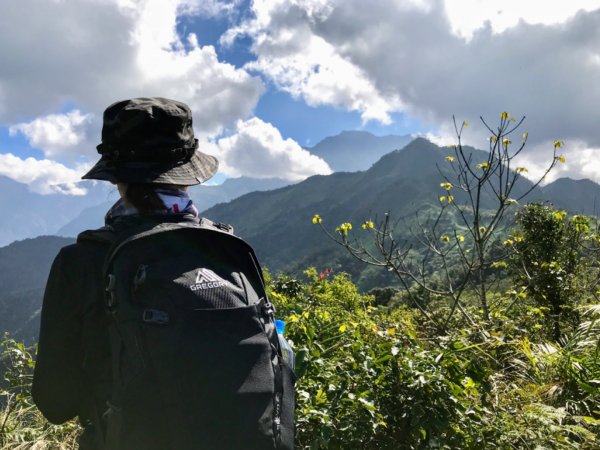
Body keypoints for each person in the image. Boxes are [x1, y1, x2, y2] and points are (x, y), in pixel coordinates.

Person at [32, 98, 294, 449]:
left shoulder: (80, 262)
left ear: (116, 176)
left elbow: (55, 403)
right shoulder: (225, 250)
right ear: (188, 172)